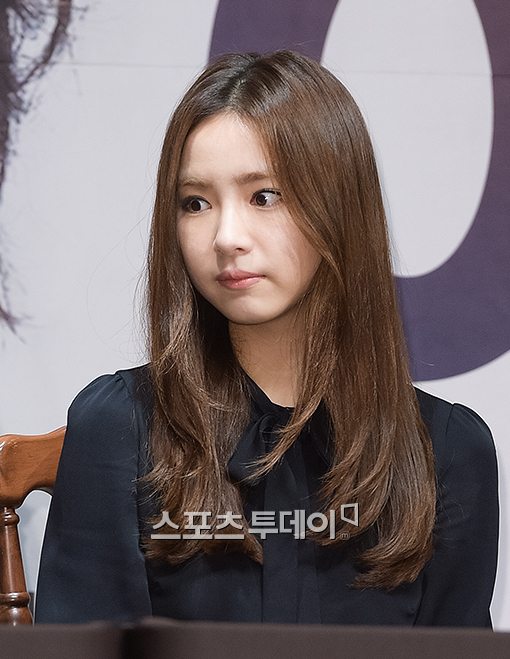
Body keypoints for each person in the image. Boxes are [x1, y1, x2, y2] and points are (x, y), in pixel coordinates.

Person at [34, 50, 499, 626]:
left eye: (264, 196)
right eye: (196, 203)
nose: (227, 236)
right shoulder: (118, 427)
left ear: (339, 207)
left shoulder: (447, 453)